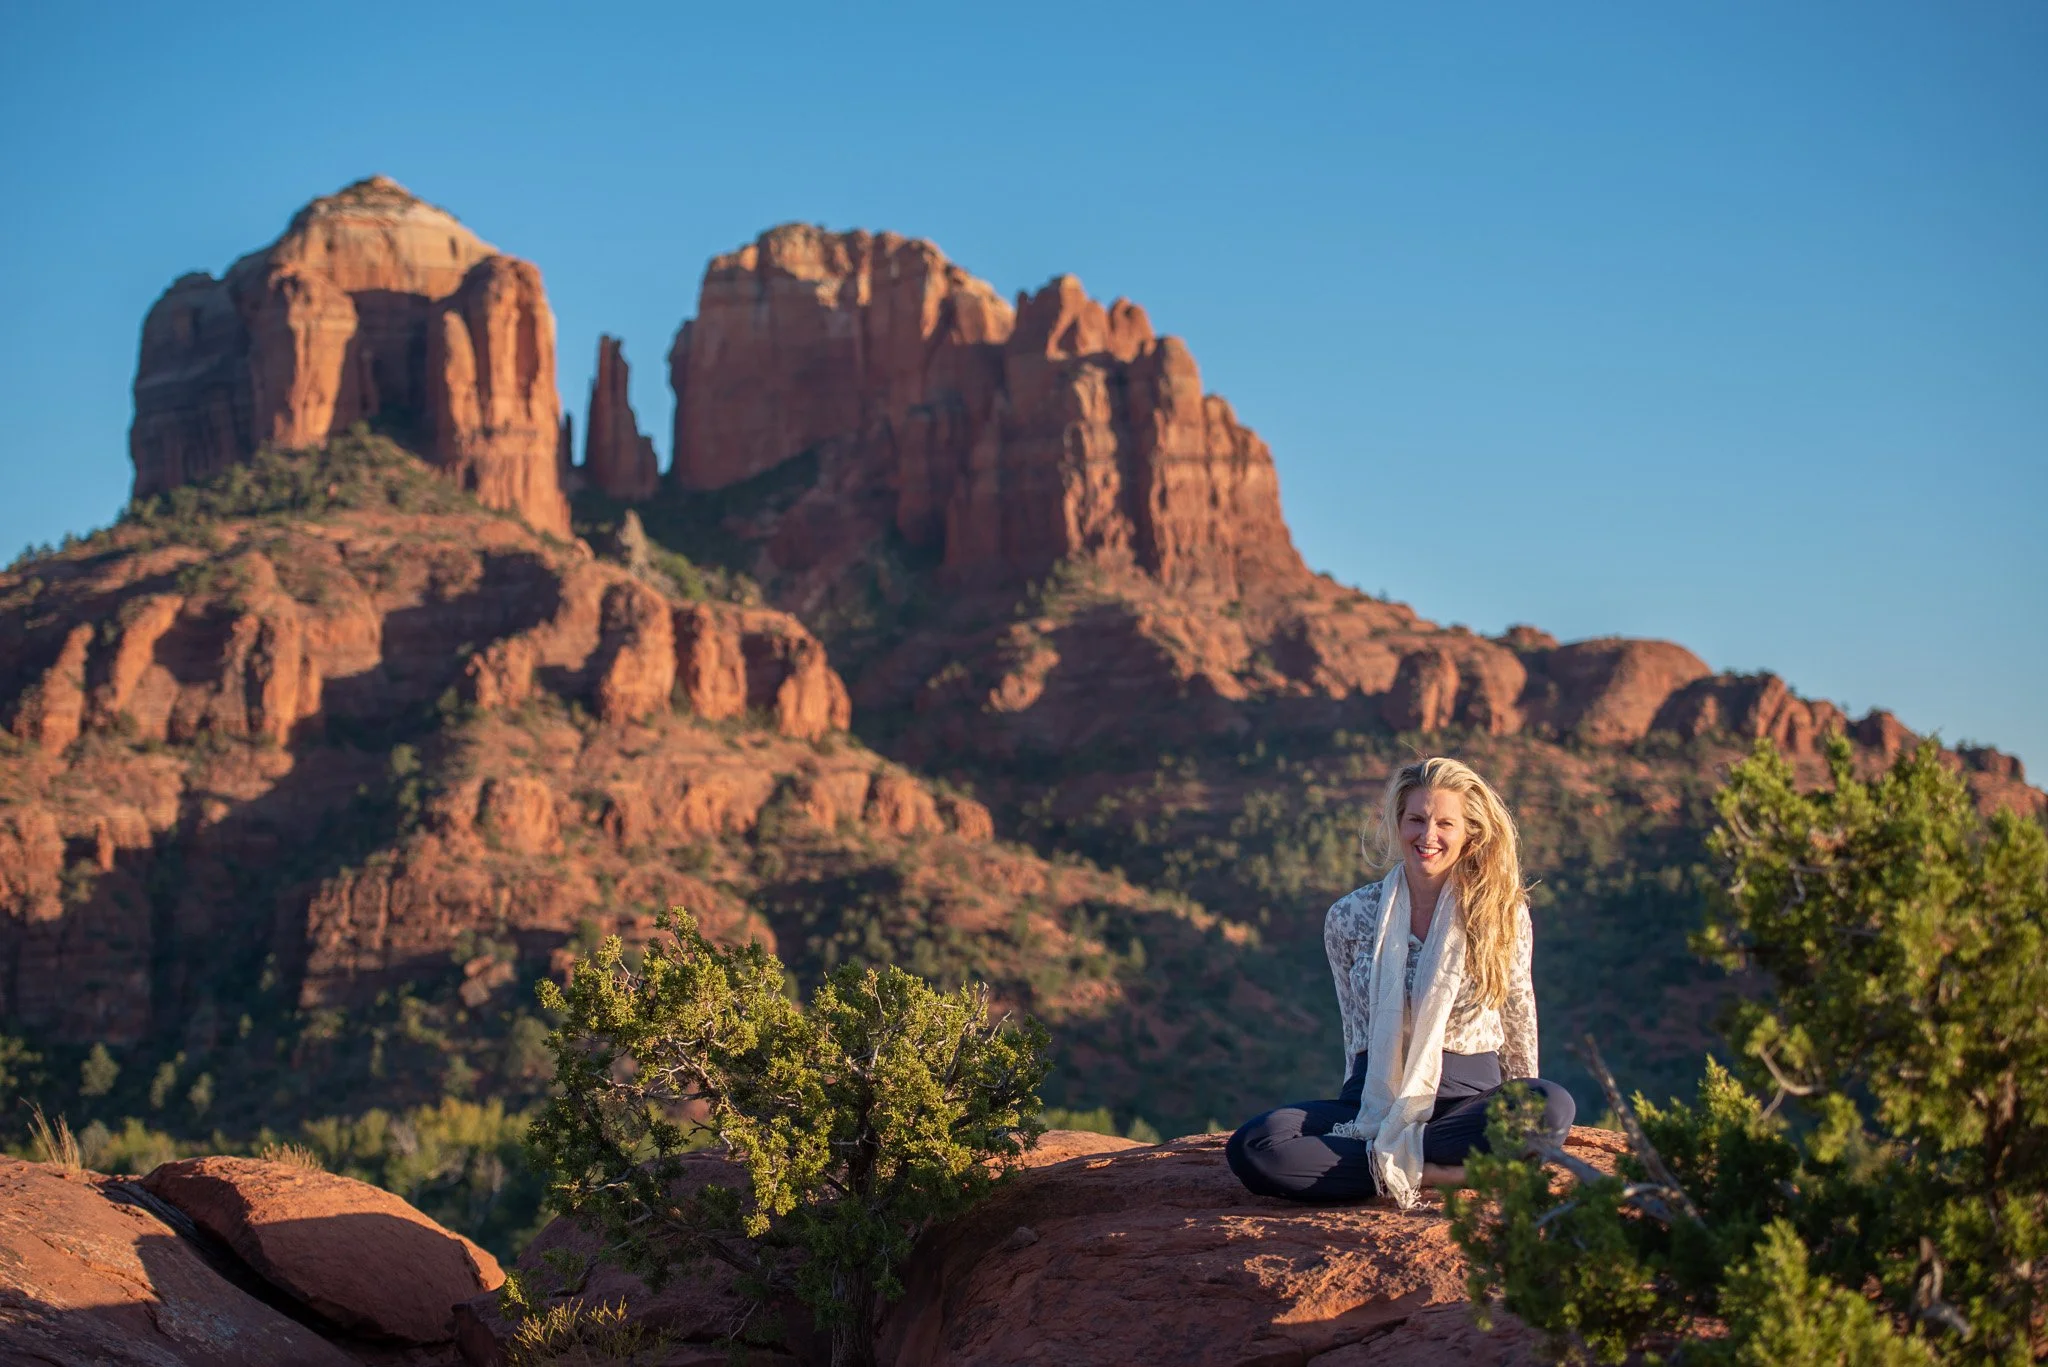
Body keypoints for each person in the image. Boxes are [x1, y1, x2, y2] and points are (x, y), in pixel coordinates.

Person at [1225, 756, 1575, 1207]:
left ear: (1470, 833)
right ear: (1398, 823)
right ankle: (1439, 1172)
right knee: (1257, 1145)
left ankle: (1377, 1164)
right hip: (1375, 1101)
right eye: (1417, 819)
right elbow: (1355, 1030)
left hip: (1465, 1105)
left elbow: (1518, 1016)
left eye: (1445, 823)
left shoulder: (1500, 912)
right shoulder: (1350, 916)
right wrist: (1365, 1110)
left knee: (1549, 1105)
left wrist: (1522, 1122)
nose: (1428, 836)